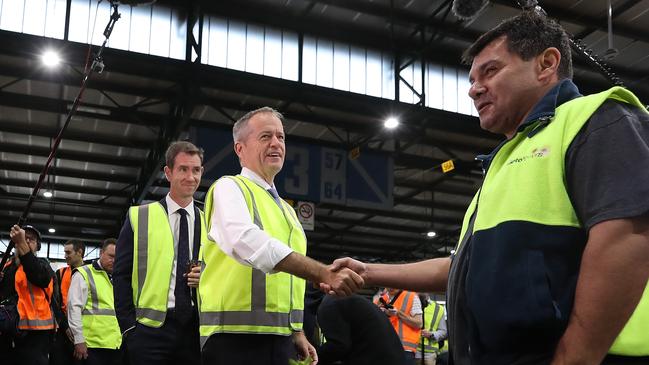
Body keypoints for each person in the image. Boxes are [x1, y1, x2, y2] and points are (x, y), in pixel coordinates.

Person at [327, 10, 649, 365]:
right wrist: (368, 271)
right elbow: (460, 267)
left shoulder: (595, 119)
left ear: (546, 64)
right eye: (471, 78)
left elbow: (626, 238)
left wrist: (577, 356)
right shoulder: (505, 161)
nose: (473, 88)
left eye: (490, 71)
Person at [200, 106, 363, 365]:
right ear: (239, 149)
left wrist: (296, 330)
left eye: (281, 137)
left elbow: (288, 282)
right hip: (234, 339)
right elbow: (245, 240)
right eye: (265, 136)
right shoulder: (229, 188)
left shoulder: (287, 211)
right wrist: (322, 272)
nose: (276, 143)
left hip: (280, 340)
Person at [113, 141, 209, 365]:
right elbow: (121, 275)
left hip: (195, 331)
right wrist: (129, 328)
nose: (190, 177)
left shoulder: (210, 222)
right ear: (168, 172)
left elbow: (220, 273)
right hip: (149, 332)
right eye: (183, 169)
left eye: (196, 170)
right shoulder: (140, 216)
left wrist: (206, 275)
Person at [0, 225, 58, 365]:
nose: (25, 241)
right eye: (23, 238)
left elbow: (39, 277)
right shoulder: (7, 267)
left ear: (38, 246)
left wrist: (22, 244)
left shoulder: (43, 264)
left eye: (30, 239)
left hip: (36, 333)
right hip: (10, 329)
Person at [67, 238, 121, 365]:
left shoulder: (118, 277)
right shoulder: (84, 273)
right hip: (91, 346)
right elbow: (73, 308)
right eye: (111, 256)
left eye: (117, 257)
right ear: (101, 253)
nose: (114, 261)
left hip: (115, 345)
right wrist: (78, 340)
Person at [317, 294, 407, 365]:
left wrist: (311, 357)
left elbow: (339, 346)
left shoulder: (328, 305)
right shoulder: (341, 299)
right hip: (392, 357)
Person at [51, 239, 86, 365]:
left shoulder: (91, 274)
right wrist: (65, 326)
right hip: (62, 331)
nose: (65, 256)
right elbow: (54, 303)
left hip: (84, 332)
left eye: (68, 252)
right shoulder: (60, 273)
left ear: (79, 252)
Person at [374, 288, 422, 365]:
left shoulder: (411, 296)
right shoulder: (380, 300)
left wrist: (398, 313)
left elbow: (418, 324)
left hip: (405, 349)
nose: (391, 287)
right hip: (383, 348)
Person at [415, 296, 447, 365]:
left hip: (430, 353)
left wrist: (431, 334)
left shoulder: (439, 308)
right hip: (413, 350)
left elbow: (443, 331)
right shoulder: (411, 303)